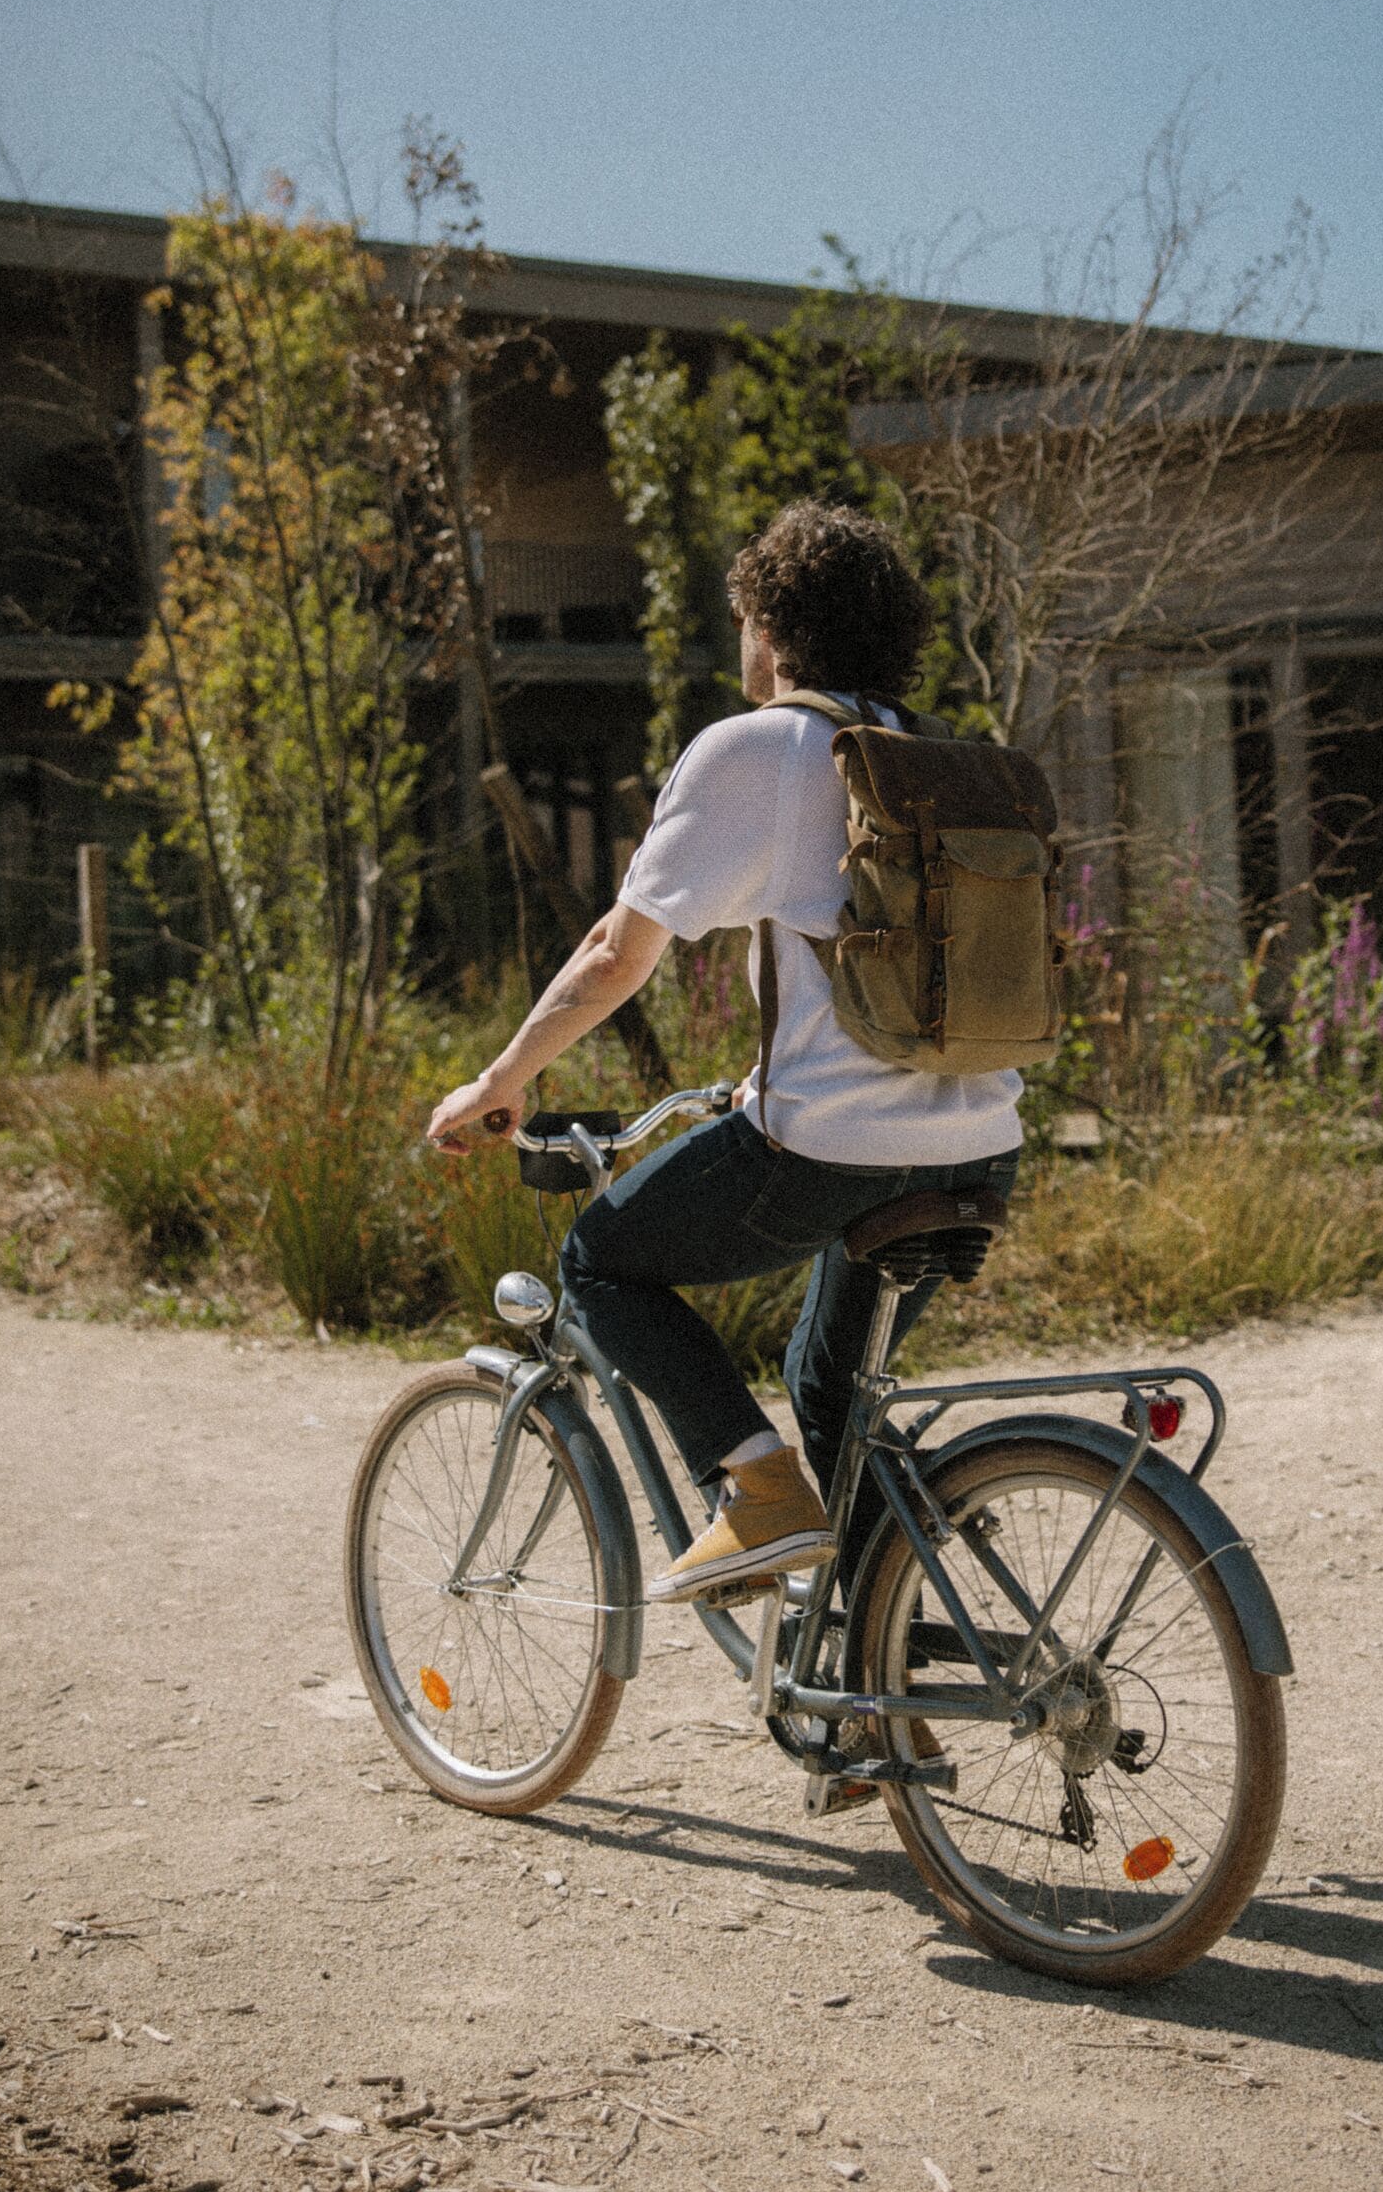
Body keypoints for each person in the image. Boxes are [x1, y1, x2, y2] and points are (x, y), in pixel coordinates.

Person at [427, 500, 1023, 1607]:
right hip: (983, 1148)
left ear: (776, 628)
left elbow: (616, 952)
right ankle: (873, 1711)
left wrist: (499, 1080)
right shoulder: (936, 753)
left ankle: (753, 1488)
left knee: (600, 1263)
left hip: (829, 1153)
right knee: (833, 1394)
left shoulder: (758, 749)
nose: (738, 642)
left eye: (743, 618)